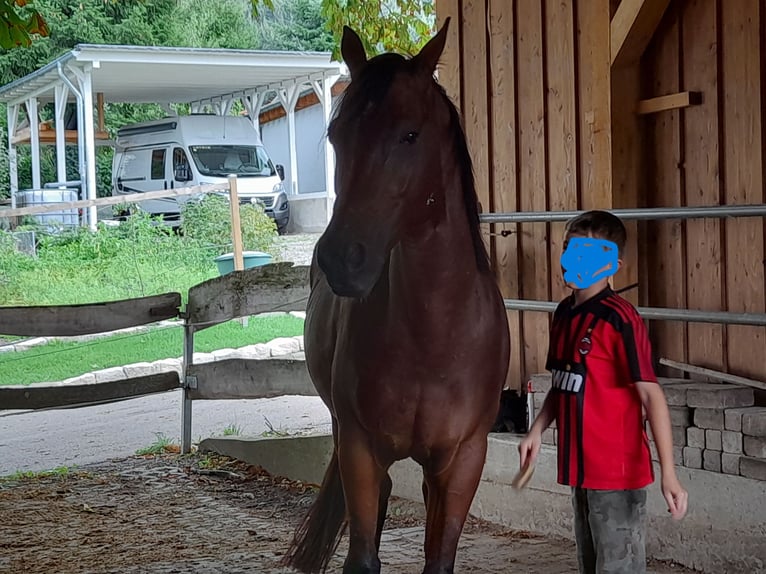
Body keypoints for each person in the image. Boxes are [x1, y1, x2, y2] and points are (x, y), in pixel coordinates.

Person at [518, 210, 688, 574]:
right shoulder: (563, 313)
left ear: (613, 263)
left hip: (616, 472)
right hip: (579, 470)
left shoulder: (620, 319)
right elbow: (563, 382)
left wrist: (669, 473)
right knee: (591, 565)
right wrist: (536, 430)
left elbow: (651, 396)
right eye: (569, 248)